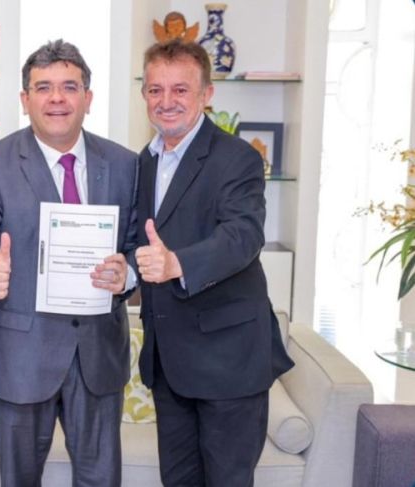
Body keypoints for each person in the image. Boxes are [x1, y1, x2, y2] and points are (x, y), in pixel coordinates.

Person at [0, 39, 138, 486]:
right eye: (43, 88)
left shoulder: (126, 164)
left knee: (101, 480)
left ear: (88, 98)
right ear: (25, 99)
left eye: (69, 87)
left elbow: (138, 244)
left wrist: (128, 273)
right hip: (19, 355)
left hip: (98, 355)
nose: (57, 98)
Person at [133, 39, 294, 487]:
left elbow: (243, 235)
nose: (166, 101)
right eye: (155, 90)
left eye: (180, 90)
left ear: (207, 93)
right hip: (169, 363)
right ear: (144, 94)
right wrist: (123, 269)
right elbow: (140, 242)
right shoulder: (144, 162)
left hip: (229, 362)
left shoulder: (238, 158)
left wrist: (177, 264)